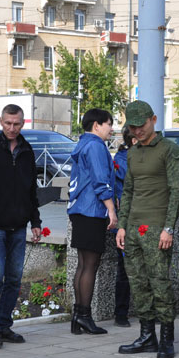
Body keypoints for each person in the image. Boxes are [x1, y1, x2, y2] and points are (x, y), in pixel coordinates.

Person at [116, 101, 179, 358]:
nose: (137, 131)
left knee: (160, 283)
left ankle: (167, 337)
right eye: (132, 127)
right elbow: (128, 190)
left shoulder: (170, 150)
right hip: (133, 227)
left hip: (157, 228)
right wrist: (122, 226)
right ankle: (147, 336)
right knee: (138, 283)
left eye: (141, 125)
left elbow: (177, 191)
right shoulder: (132, 153)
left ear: (153, 119)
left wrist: (169, 228)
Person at [0, 104, 42, 349]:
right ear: (0, 122)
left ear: (23, 123)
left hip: (19, 225)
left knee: (14, 278)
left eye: (17, 124)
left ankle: (3, 325)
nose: (12, 128)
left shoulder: (27, 149)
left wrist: (35, 221)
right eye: (8, 123)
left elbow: (31, 189)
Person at [68, 108, 117, 335]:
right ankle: (85, 316)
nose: (112, 128)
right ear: (96, 125)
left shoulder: (83, 143)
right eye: (109, 124)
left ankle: (78, 316)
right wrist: (111, 210)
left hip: (79, 209)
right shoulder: (96, 146)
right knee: (90, 265)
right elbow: (101, 181)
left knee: (82, 264)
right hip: (92, 210)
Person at [112, 127, 135, 327]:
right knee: (125, 268)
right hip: (127, 221)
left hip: (139, 219)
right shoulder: (122, 160)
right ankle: (121, 312)